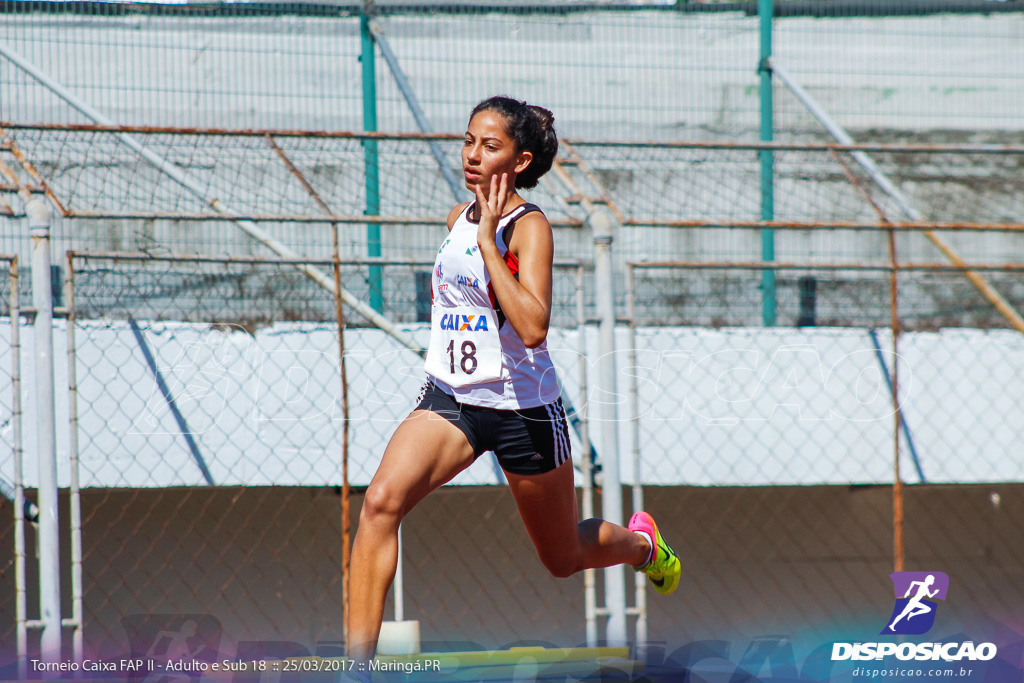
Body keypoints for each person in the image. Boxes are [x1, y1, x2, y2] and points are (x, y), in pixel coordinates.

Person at [346, 95, 681, 665]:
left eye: (490, 145)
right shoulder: (457, 218)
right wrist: (473, 236)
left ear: (520, 161)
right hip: (452, 399)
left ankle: (643, 544)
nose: (472, 155)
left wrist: (487, 245)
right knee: (380, 504)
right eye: (469, 141)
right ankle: (356, 668)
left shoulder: (530, 228)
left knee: (562, 556)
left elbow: (531, 327)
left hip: (524, 410)